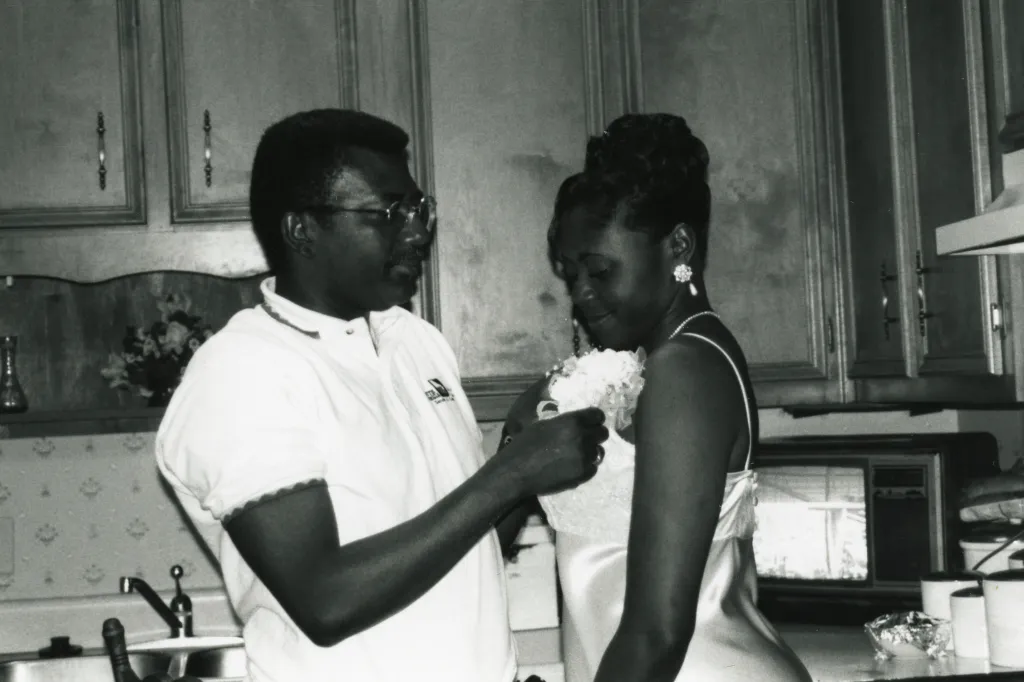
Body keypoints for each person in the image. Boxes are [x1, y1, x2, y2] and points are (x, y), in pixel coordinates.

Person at [155, 108, 608, 682]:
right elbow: (325, 599)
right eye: (390, 213)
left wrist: (524, 452)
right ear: (302, 229)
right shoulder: (242, 372)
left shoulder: (415, 342)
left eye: (419, 210)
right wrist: (511, 475)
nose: (418, 232)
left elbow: (468, 551)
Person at [505, 113, 812, 682]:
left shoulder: (685, 368)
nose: (580, 294)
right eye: (570, 274)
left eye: (599, 270)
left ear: (679, 244)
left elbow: (656, 634)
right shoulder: (660, 363)